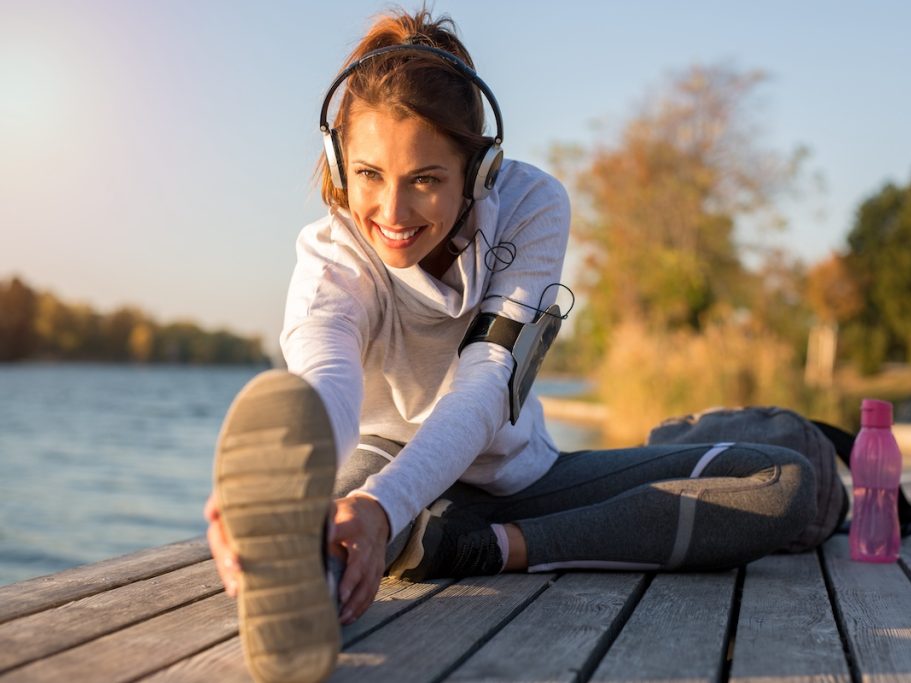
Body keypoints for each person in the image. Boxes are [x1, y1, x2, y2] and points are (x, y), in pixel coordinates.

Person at [204, 9, 823, 683]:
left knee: (785, 481)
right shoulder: (331, 254)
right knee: (328, 519)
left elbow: (485, 382)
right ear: (336, 161)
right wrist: (308, 465)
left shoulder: (530, 203)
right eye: (369, 174)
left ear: (478, 169)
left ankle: (478, 550)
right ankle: (306, 594)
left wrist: (391, 512)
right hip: (386, 471)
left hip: (520, 480)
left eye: (427, 179)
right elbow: (327, 373)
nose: (391, 211)